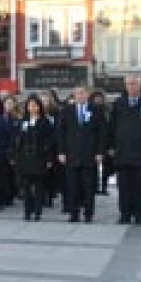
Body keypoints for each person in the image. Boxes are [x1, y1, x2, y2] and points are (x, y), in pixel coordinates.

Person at [107, 74, 141, 225]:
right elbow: (112, 126)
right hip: (122, 151)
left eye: (135, 84)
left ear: (140, 85)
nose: (132, 87)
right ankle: (124, 213)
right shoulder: (119, 103)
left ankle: (138, 214)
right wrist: (110, 146)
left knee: (139, 185)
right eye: (129, 84)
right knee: (123, 185)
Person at [57, 86, 106, 223]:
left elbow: (102, 133)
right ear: (73, 95)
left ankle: (89, 213)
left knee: (89, 186)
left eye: (82, 93)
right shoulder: (67, 111)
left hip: (89, 155)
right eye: (77, 93)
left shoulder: (96, 110)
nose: (80, 96)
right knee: (72, 186)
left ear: (87, 94)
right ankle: (74, 213)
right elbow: (60, 133)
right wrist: (61, 152)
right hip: (71, 155)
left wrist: (100, 152)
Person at [12, 96, 56, 221]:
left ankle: (37, 211)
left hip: (39, 158)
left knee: (39, 186)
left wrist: (49, 159)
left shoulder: (45, 122)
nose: (32, 108)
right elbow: (17, 140)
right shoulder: (23, 121)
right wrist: (15, 156)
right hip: (25, 158)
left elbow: (50, 141)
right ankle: (27, 211)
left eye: (35, 105)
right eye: (30, 105)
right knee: (26, 187)